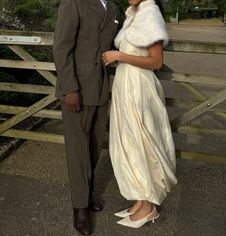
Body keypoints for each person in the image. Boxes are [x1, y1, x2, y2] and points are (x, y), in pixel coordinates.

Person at [102, 0, 177, 228]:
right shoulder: (134, 13)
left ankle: (148, 207)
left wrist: (119, 56)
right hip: (126, 85)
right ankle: (140, 200)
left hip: (138, 89)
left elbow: (156, 62)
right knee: (130, 141)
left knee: (141, 142)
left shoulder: (150, 14)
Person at [53, 0, 119, 235]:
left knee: (93, 146)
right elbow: (61, 47)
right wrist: (70, 88)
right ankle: (80, 208)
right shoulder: (74, 3)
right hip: (77, 90)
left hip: (100, 89)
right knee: (77, 150)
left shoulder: (112, 8)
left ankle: (87, 192)